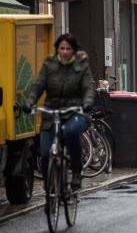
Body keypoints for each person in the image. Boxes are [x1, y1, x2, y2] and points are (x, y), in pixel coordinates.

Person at [25, 33, 94, 190]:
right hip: (51, 113)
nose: (64, 52)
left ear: (74, 50)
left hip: (74, 111)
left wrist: (87, 103)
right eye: (62, 48)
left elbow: (88, 87)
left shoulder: (81, 66)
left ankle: (76, 170)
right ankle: (50, 188)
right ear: (57, 49)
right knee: (44, 153)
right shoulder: (49, 65)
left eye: (68, 48)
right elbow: (38, 85)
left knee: (71, 131)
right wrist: (30, 101)